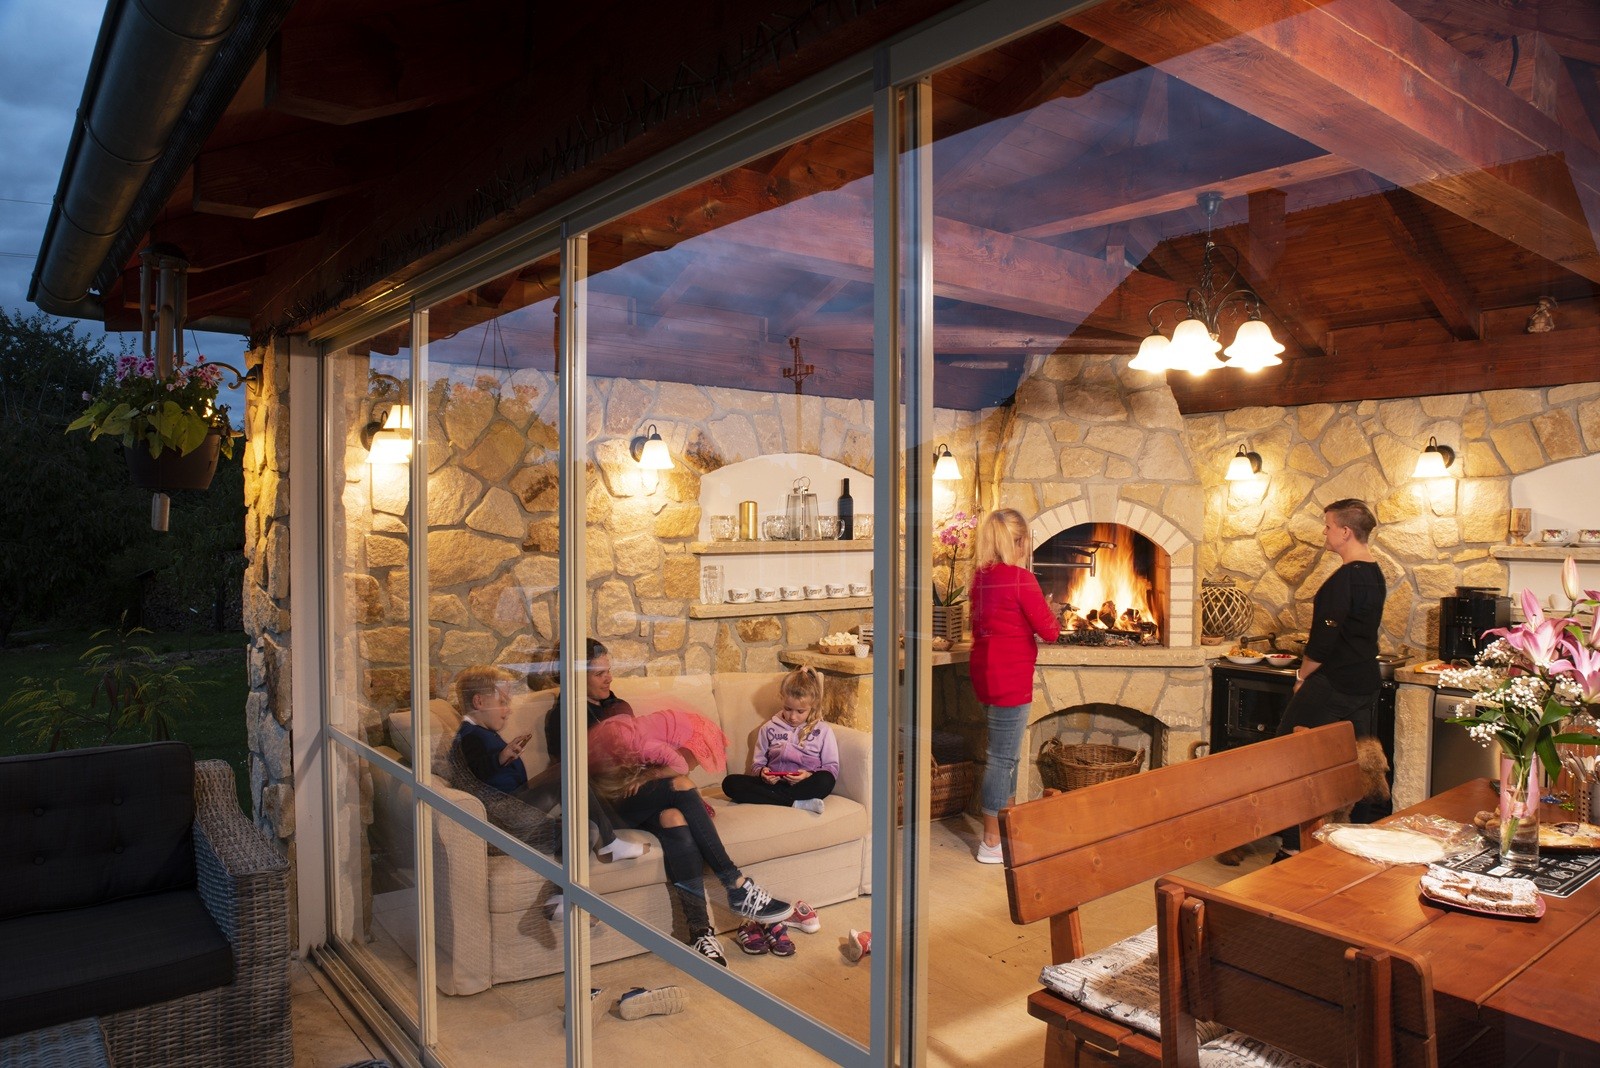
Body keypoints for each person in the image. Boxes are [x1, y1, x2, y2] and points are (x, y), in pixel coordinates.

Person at [544, 639, 794, 966]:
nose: (609, 678)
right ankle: (736, 884)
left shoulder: (617, 705)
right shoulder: (563, 717)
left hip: (640, 795)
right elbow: (575, 776)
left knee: (675, 818)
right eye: (599, 673)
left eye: (609, 671)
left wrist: (648, 774)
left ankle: (700, 932)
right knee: (681, 784)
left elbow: (641, 754)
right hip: (606, 805)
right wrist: (642, 774)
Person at [1273, 498, 1387, 859]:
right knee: (1358, 764)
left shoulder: (1345, 579)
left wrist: (1301, 676)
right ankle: (1351, 840)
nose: (1324, 533)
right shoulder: (1375, 573)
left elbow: (1324, 641)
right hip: (1364, 682)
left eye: (1328, 526)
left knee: (1288, 756)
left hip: (1334, 682)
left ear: (1345, 531)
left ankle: (1292, 847)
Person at [450, 665, 644, 862]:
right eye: (502, 702)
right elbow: (475, 771)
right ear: (479, 702)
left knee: (587, 830)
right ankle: (609, 844)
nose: (508, 710)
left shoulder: (483, 733)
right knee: (564, 771)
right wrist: (500, 758)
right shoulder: (469, 735)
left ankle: (562, 881)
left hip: (513, 814)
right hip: (504, 816)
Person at [968, 507, 1060, 864]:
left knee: (1005, 756)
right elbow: (1050, 631)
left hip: (985, 674)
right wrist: (1052, 611)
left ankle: (1007, 833)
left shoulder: (981, 578)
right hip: (1011, 678)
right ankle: (991, 841)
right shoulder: (1022, 580)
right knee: (1001, 758)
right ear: (1019, 542)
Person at [721, 665, 838, 815]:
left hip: (804, 785)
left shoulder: (823, 730)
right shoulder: (768, 728)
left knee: (826, 779)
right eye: (788, 709)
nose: (793, 717)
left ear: (812, 706)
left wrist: (808, 775)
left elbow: (831, 767)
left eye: (800, 711)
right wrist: (763, 773)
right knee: (730, 783)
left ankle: (778, 799)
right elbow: (757, 764)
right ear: (782, 699)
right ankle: (795, 803)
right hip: (773, 785)